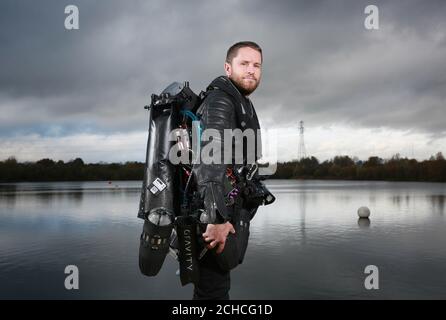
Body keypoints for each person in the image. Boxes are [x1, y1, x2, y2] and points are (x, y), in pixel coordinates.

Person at [192, 41, 263, 300]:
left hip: (224, 210)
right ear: (228, 67)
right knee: (213, 292)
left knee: (213, 290)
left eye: (256, 65)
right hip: (212, 219)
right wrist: (217, 219)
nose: (251, 70)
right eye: (244, 63)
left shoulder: (238, 100)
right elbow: (209, 162)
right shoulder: (221, 101)